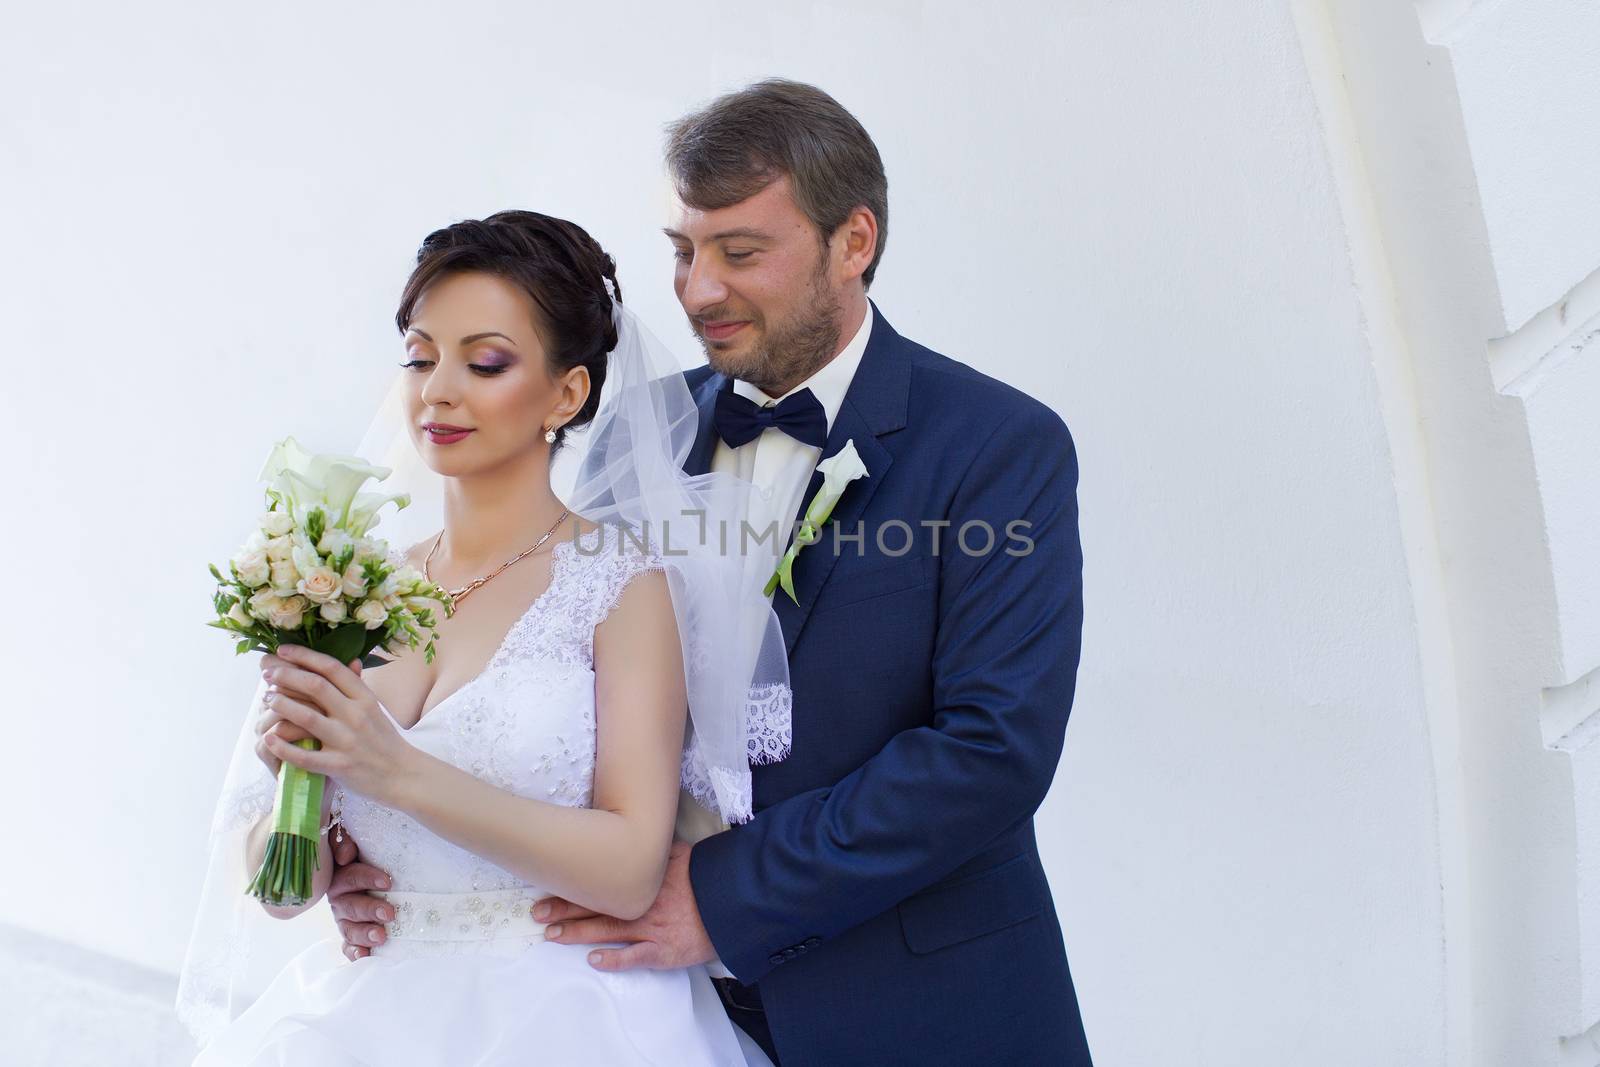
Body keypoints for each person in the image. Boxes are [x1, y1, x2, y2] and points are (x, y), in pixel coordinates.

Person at [334, 78, 1095, 1066]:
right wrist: (389, 855)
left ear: (852, 241)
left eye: (740, 252)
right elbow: (555, 687)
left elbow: (992, 750)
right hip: (630, 1006)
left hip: (911, 1004)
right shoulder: (631, 438)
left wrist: (724, 893)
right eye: (684, 252)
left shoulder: (998, 446)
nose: (698, 289)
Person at [177, 210, 791, 1065]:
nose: (439, 389)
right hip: (369, 1013)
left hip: (569, 1015)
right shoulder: (352, 587)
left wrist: (390, 769)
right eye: (422, 357)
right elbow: (281, 894)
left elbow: (628, 866)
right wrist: (298, 795)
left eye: (486, 361)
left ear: (567, 393)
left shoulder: (620, 582)